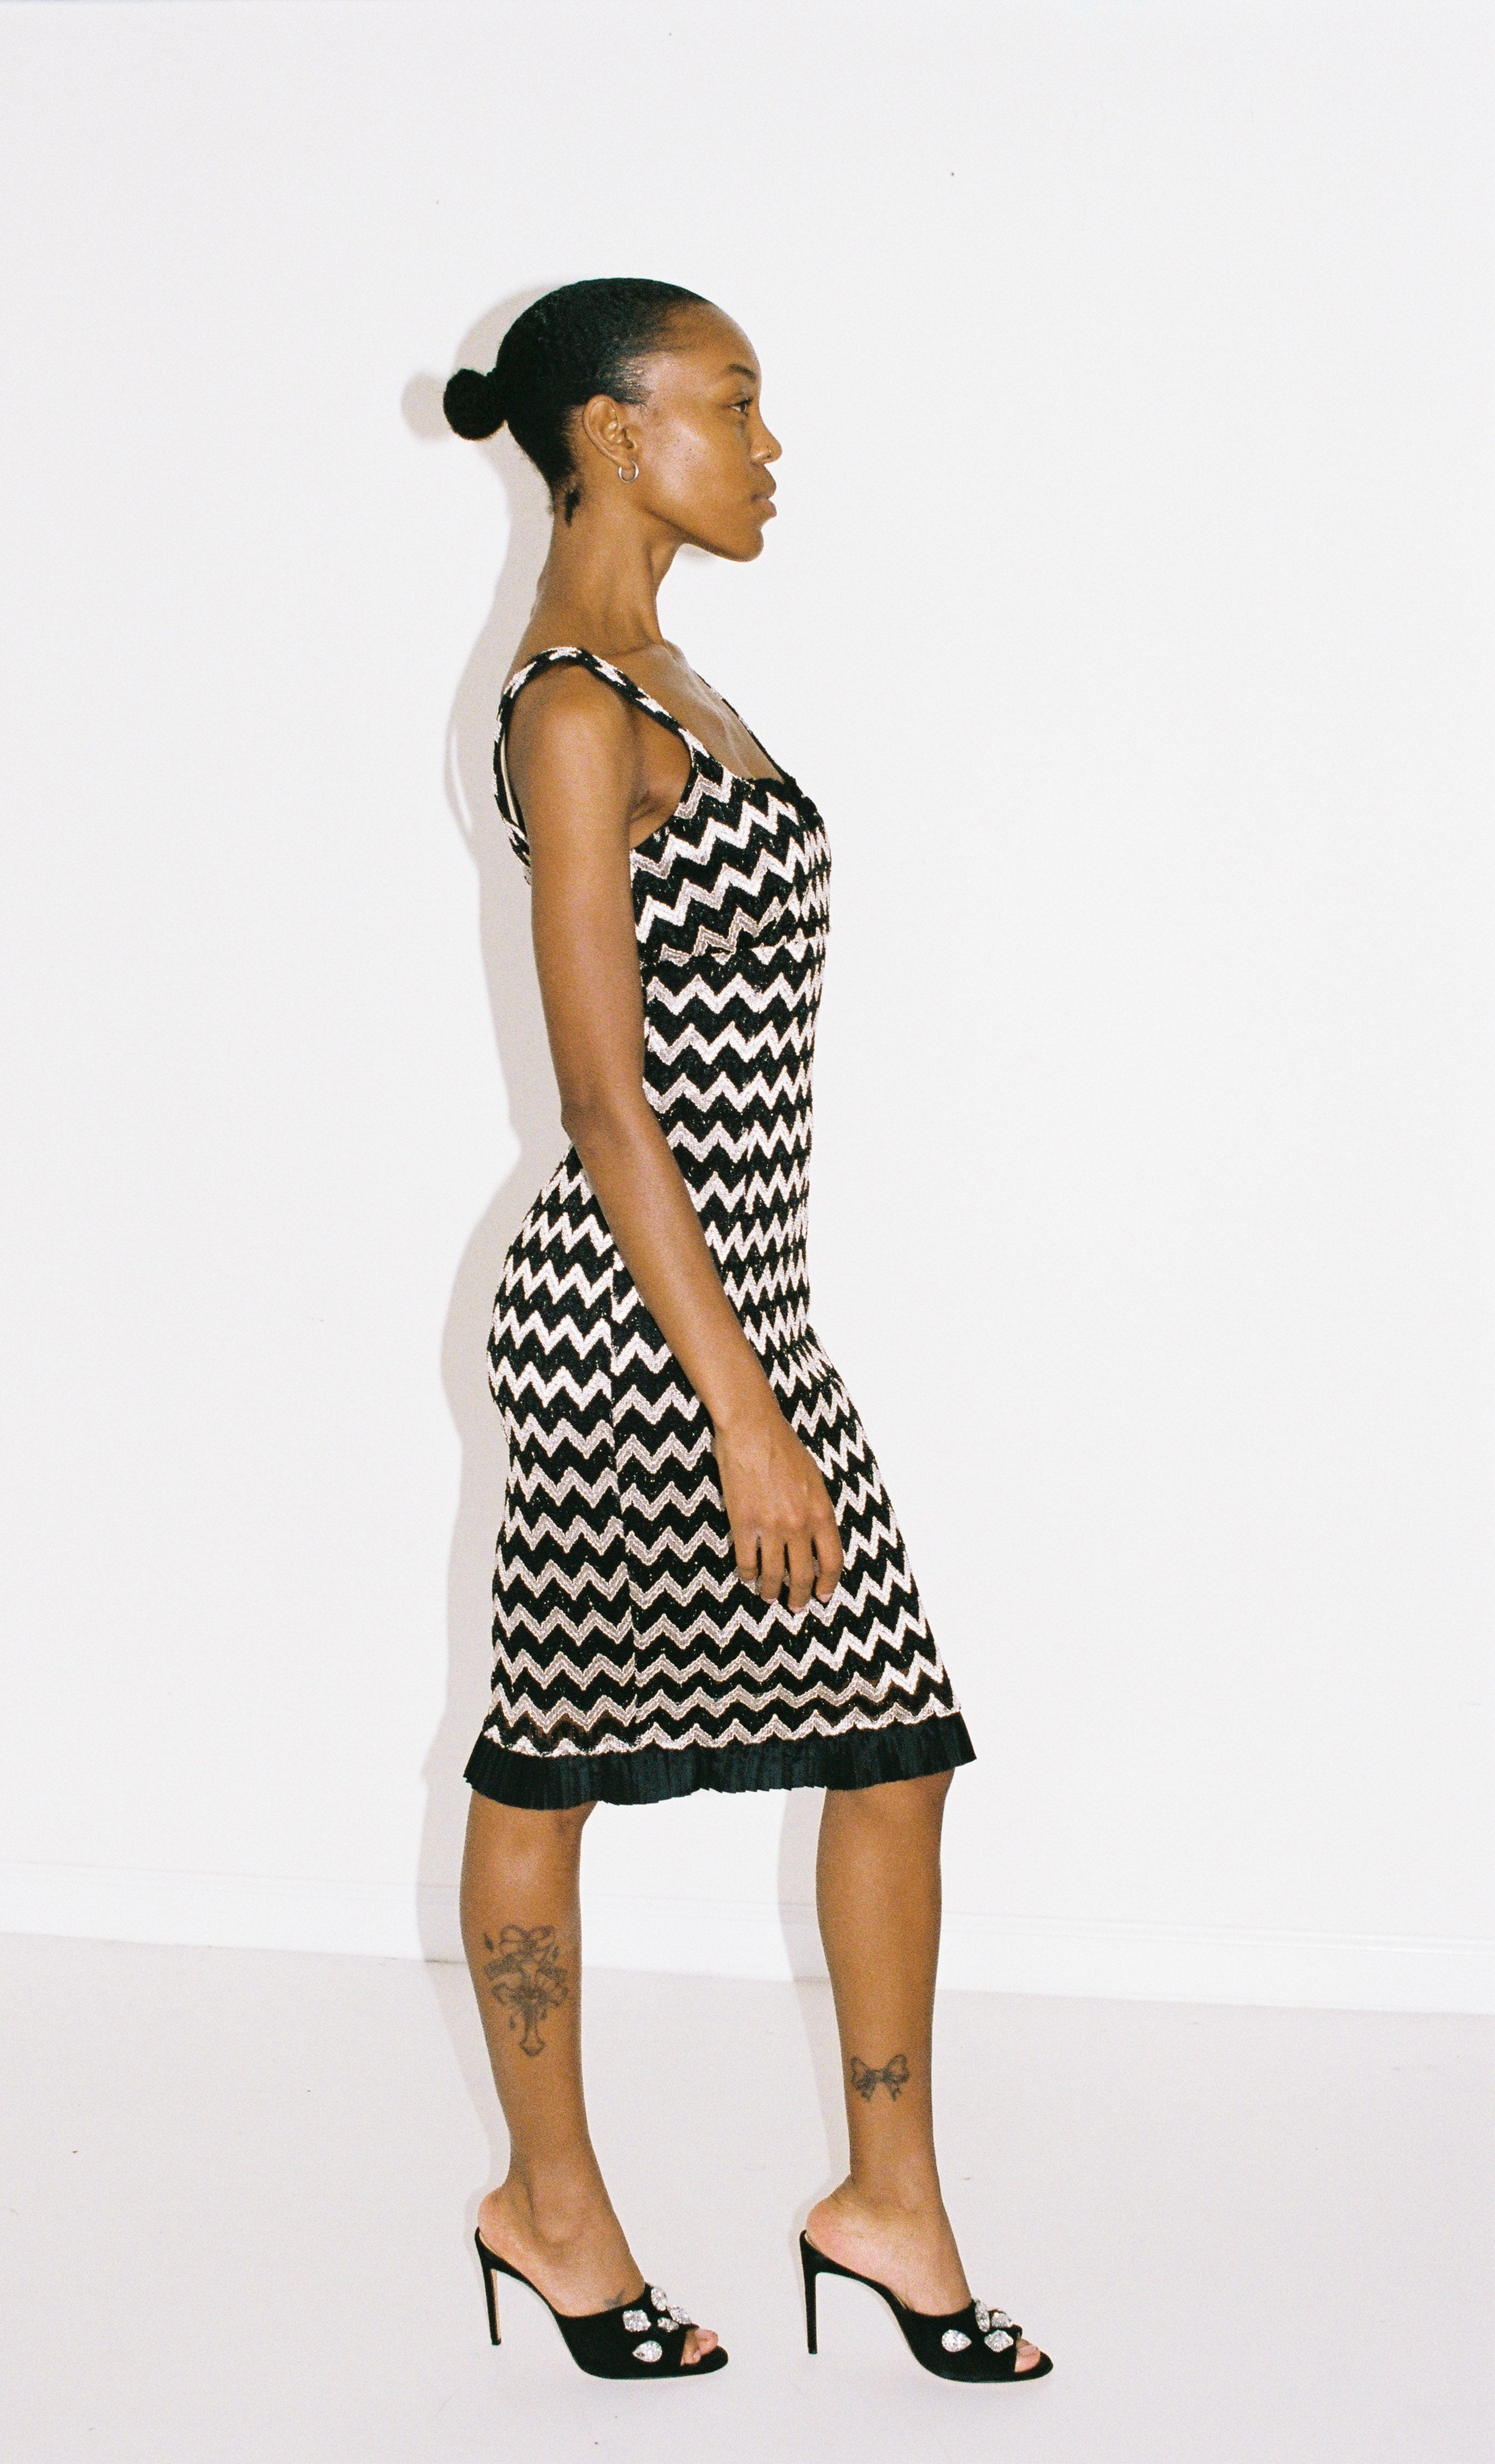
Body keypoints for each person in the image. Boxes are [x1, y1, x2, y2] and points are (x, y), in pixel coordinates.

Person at [442, 277, 1050, 2388]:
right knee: (552, 1752)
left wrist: (766, 1383)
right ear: (610, 434)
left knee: (895, 1749)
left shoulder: (672, 676)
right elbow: (609, 1106)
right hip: (635, 1332)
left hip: (742, 1310)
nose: (768, 444)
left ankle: (887, 2201)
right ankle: (553, 2207)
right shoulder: (575, 706)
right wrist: (742, 1418)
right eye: (732, 403)